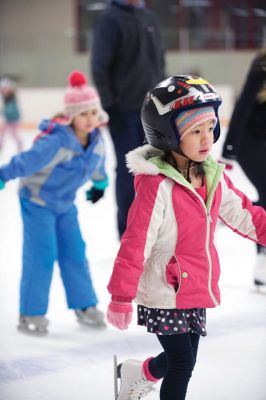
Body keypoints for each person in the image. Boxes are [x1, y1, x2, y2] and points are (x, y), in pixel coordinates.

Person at [106, 76, 266, 400]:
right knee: (182, 363)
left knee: (184, 357)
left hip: (195, 285)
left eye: (210, 127)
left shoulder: (211, 176)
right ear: (168, 134)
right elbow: (136, 241)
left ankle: (139, 372)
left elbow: (245, 214)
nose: (207, 138)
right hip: (165, 288)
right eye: (196, 130)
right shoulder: (157, 186)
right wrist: (121, 295)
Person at [0, 71, 109, 335]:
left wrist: (100, 184)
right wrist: (3, 175)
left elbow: (97, 165)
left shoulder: (96, 141)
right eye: (83, 114)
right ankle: (31, 313)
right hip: (37, 201)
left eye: (93, 113)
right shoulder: (56, 142)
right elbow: (27, 161)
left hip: (65, 204)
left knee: (75, 252)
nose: (89, 119)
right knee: (43, 254)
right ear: (71, 115)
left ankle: (84, 305)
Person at [91, 0, 165, 238]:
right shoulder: (110, 19)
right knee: (129, 171)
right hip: (124, 111)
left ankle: (154, 228)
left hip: (154, 110)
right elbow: (99, 65)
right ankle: (128, 233)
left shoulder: (150, 19)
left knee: (157, 169)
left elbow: (159, 63)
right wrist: (110, 105)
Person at [221, 49, 266, 287]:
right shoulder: (262, 63)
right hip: (249, 140)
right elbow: (244, 104)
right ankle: (263, 261)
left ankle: (228, 211)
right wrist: (229, 150)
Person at [0, 77, 22, 153]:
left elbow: (11, 109)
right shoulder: (5, 96)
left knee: (13, 134)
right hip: (8, 118)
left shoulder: (12, 97)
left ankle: (19, 143)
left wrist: (3, 111)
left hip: (14, 119)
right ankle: (1, 146)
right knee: (2, 132)